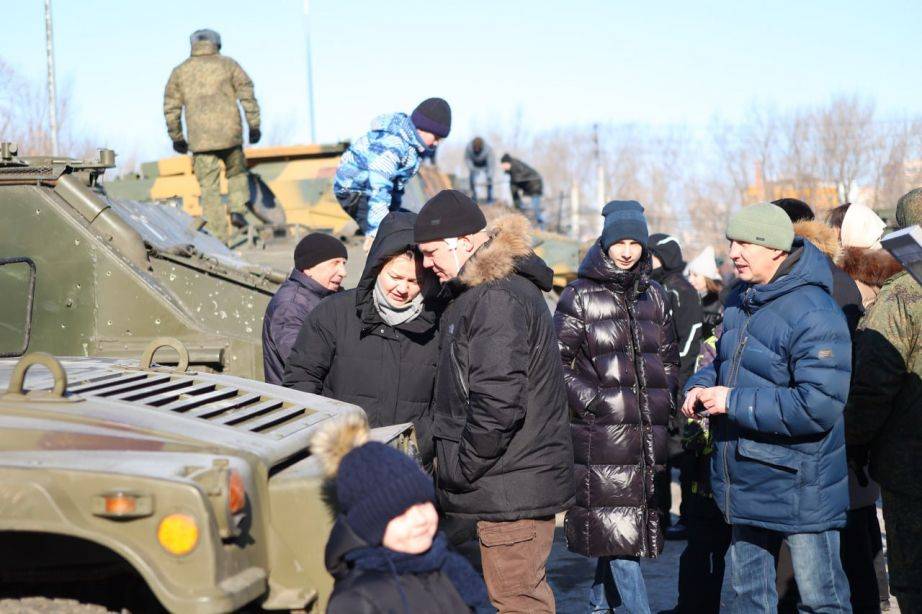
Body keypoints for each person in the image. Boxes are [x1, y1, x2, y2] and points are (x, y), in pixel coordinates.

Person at [682, 202, 853, 613]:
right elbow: (724, 362)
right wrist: (700, 386)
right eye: (731, 243)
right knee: (747, 599)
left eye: (745, 244)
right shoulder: (741, 300)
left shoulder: (815, 310)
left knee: (821, 601)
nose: (734, 253)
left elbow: (817, 405)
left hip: (801, 484)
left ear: (776, 249)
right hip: (745, 475)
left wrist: (731, 401)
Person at [414, 190, 574, 613]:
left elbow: (498, 403)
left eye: (431, 252)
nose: (427, 263)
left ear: (463, 243)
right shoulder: (484, 293)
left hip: (507, 488)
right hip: (507, 483)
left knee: (519, 602)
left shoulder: (494, 298)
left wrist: (460, 467)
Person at [555, 200, 679, 614]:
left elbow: (669, 358)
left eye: (635, 243)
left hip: (647, 439)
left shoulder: (656, 295)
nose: (627, 251)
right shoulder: (579, 295)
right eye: (619, 242)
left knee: (621, 537)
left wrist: (667, 397)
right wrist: (596, 403)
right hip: (604, 438)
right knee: (622, 543)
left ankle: (596, 607)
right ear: (605, 243)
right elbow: (556, 364)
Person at [313, 413, 490, 614]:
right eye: (402, 513)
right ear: (372, 526)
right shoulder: (356, 601)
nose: (420, 519)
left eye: (423, 504)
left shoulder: (444, 560)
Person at [283, 212, 439, 430]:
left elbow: (445, 405)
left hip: (407, 457)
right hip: (341, 451)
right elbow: (301, 381)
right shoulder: (333, 313)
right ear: (376, 269)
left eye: (415, 281)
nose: (403, 289)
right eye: (395, 277)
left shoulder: (438, 323)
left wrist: (421, 442)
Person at [845, 188, 922, 614]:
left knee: (914, 580)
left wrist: (852, 441)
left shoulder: (900, 295)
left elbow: (874, 385)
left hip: (910, 464)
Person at [836, 202, 900, 613]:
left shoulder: (870, 297)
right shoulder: (886, 291)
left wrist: (853, 437)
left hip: (869, 439)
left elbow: (873, 385)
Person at [163, 29, 260, 243]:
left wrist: (177, 137)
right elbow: (247, 94)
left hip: (200, 141)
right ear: (217, 43)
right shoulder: (229, 65)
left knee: (209, 189)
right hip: (230, 137)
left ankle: (219, 238)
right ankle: (237, 210)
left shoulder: (180, 71)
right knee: (237, 173)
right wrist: (254, 126)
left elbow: (171, 107)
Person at [334, 98, 452, 244]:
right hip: (355, 190)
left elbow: (397, 186)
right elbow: (378, 185)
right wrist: (376, 232)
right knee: (388, 240)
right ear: (422, 128)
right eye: (436, 137)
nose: (436, 143)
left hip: (373, 191)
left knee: (410, 224)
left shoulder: (413, 149)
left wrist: (394, 214)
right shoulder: (393, 143)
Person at [648, 233, 704, 539]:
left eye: (651, 255)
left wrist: (673, 381)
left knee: (679, 453)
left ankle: (683, 517)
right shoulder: (658, 287)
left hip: (677, 385)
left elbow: (686, 343)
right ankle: (662, 517)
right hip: (664, 384)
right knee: (662, 455)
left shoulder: (677, 289)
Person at [261, 233, 347, 385]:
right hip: (296, 401)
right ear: (308, 268)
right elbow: (301, 362)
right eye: (335, 263)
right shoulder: (291, 306)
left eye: (344, 264)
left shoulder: (327, 296)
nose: (343, 272)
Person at [685, 246, 724, 340]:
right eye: (689, 274)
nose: (690, 279)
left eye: (695, 275)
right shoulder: (689, 298)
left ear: (707, 278)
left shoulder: (720, 303)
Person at [499, 154, 544, 229]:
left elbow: (518, 180)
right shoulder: (512, 169)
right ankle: (520, 209)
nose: (502, 167)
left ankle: (541, 227)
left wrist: (514, 182)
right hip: (529, 187)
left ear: (507, 163)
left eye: (503, 164)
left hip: (535, 185)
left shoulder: (515, 166)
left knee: (535, 208)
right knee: (529, 208)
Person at [464, 137, 494, 204]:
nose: (477, 150)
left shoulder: (488, 149)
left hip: (485, 166)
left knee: (490, 180)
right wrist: (472, 168)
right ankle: (474, 198)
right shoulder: (469, 148)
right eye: (475, 149)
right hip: (474, 166)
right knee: (472, 180)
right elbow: (467, 159)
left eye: (478, 149)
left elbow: (491, 163)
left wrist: (489, 175)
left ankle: (490, 199)